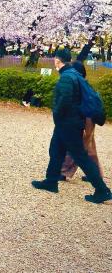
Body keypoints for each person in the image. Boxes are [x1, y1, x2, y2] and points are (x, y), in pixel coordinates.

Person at [32, 48, 111, 204]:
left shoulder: (67, 77)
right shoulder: (74, 74)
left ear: (57, 60)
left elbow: (65, 101)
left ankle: (102, 190)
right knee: (56, 149)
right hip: (70, 123)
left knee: (80, 156)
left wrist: (57, 115)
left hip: (68, 123)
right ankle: (51, 181)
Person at [60, 61, 104, 181]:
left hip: (84, 118)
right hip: (90, 117)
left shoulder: (77, 84)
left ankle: (64, 171)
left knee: (77, 145)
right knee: (89, 146)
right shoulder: (85, 84)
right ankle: (95, 173)